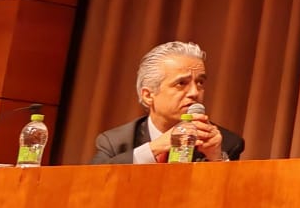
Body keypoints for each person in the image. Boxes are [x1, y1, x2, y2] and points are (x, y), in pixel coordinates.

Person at [90, 40, 247, 164]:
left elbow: (235, 193)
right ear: (148, 95)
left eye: (200, 82)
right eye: (181, 83)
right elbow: (92, 183)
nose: (194, 93)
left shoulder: (225, 143)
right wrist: (153, 149)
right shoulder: (116, 142)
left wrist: (217, 158)